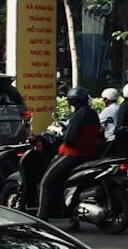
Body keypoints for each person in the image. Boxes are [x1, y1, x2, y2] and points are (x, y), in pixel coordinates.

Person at [38, 87, 104, 223]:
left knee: (46, 181)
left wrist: (62, 134)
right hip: (89, 154)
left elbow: (70, 139)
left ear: (74, 102)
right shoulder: (93, 114)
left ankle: (42, 217)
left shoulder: (78, 116)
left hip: (73, 155)